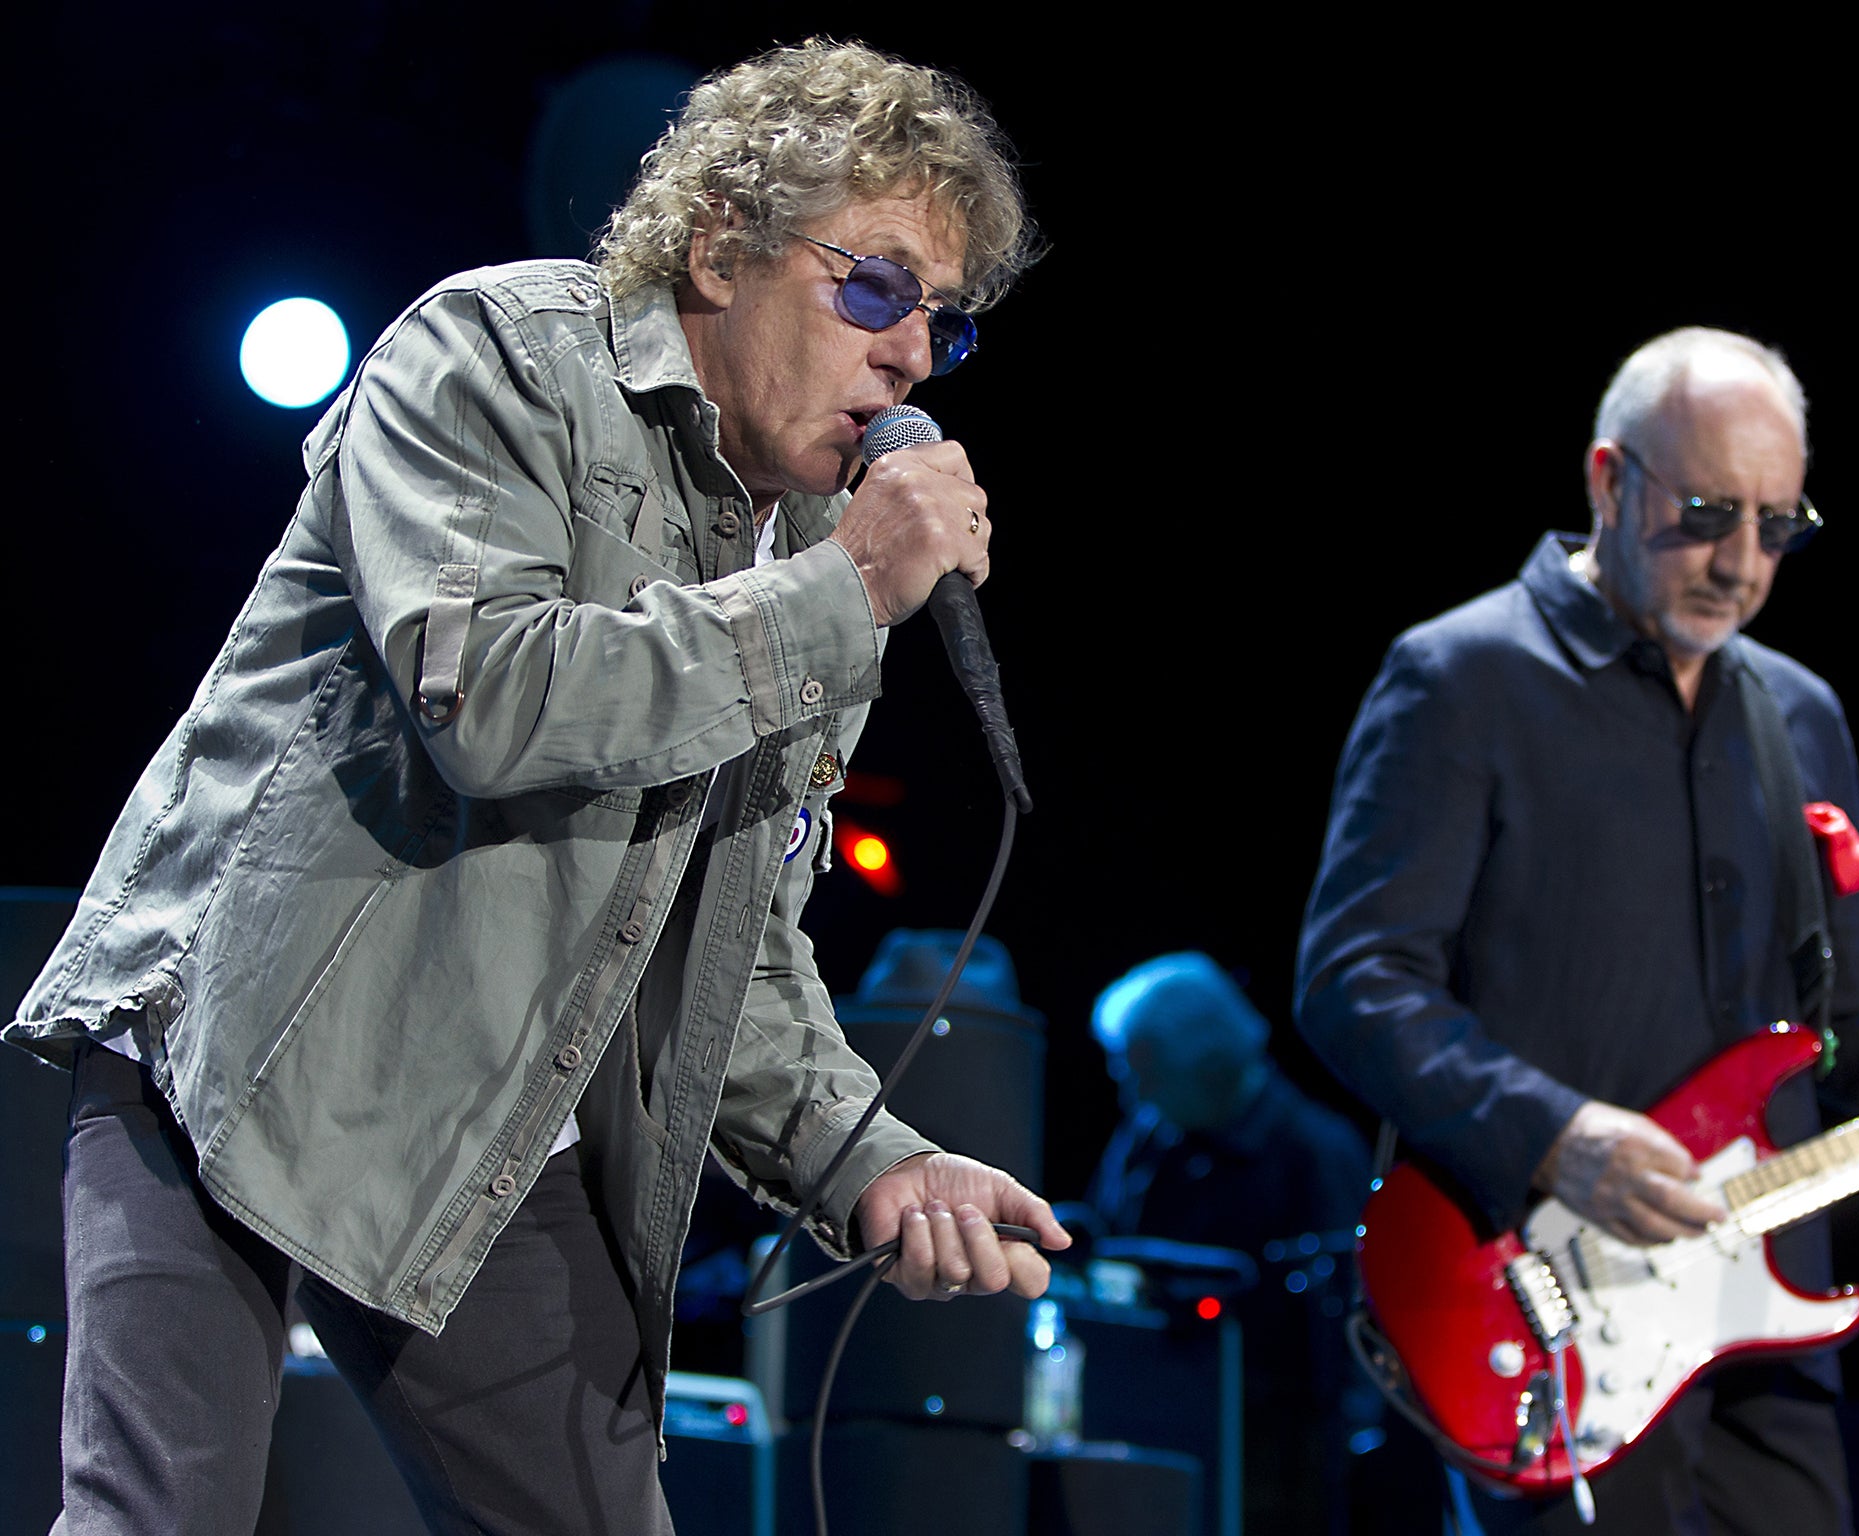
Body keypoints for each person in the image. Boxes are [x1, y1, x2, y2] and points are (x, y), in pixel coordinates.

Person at [7, 39, 1068, 1534]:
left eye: (939, 326)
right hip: (243, 1048)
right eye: (876, 288)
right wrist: (838, 596)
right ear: (722, 244)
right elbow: (489, 696)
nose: (907, 354)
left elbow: (732, 946)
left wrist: (870, 1159)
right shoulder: (496, 353)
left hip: (494, 1128)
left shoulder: (819, 545)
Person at [1294, 327, 1859, 1535]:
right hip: (1542, 1318)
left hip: (1758, 1328)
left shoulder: (1798, 714)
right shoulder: (1458, 676)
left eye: (1777, 526)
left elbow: (1857, 1023)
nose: (1739, 564)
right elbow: (1352, 978)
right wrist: (1557, 1138)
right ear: (1604, 480)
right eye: (1703, 513)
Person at [1087, 953, 1373, 1536]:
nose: (1129, 1094)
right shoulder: (1150, 1143)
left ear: (1204, 1064)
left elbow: (1353, 1335)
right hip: (1155, 1421)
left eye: (1142, 1073)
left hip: (1280, 1459)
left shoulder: (1318, 1154)